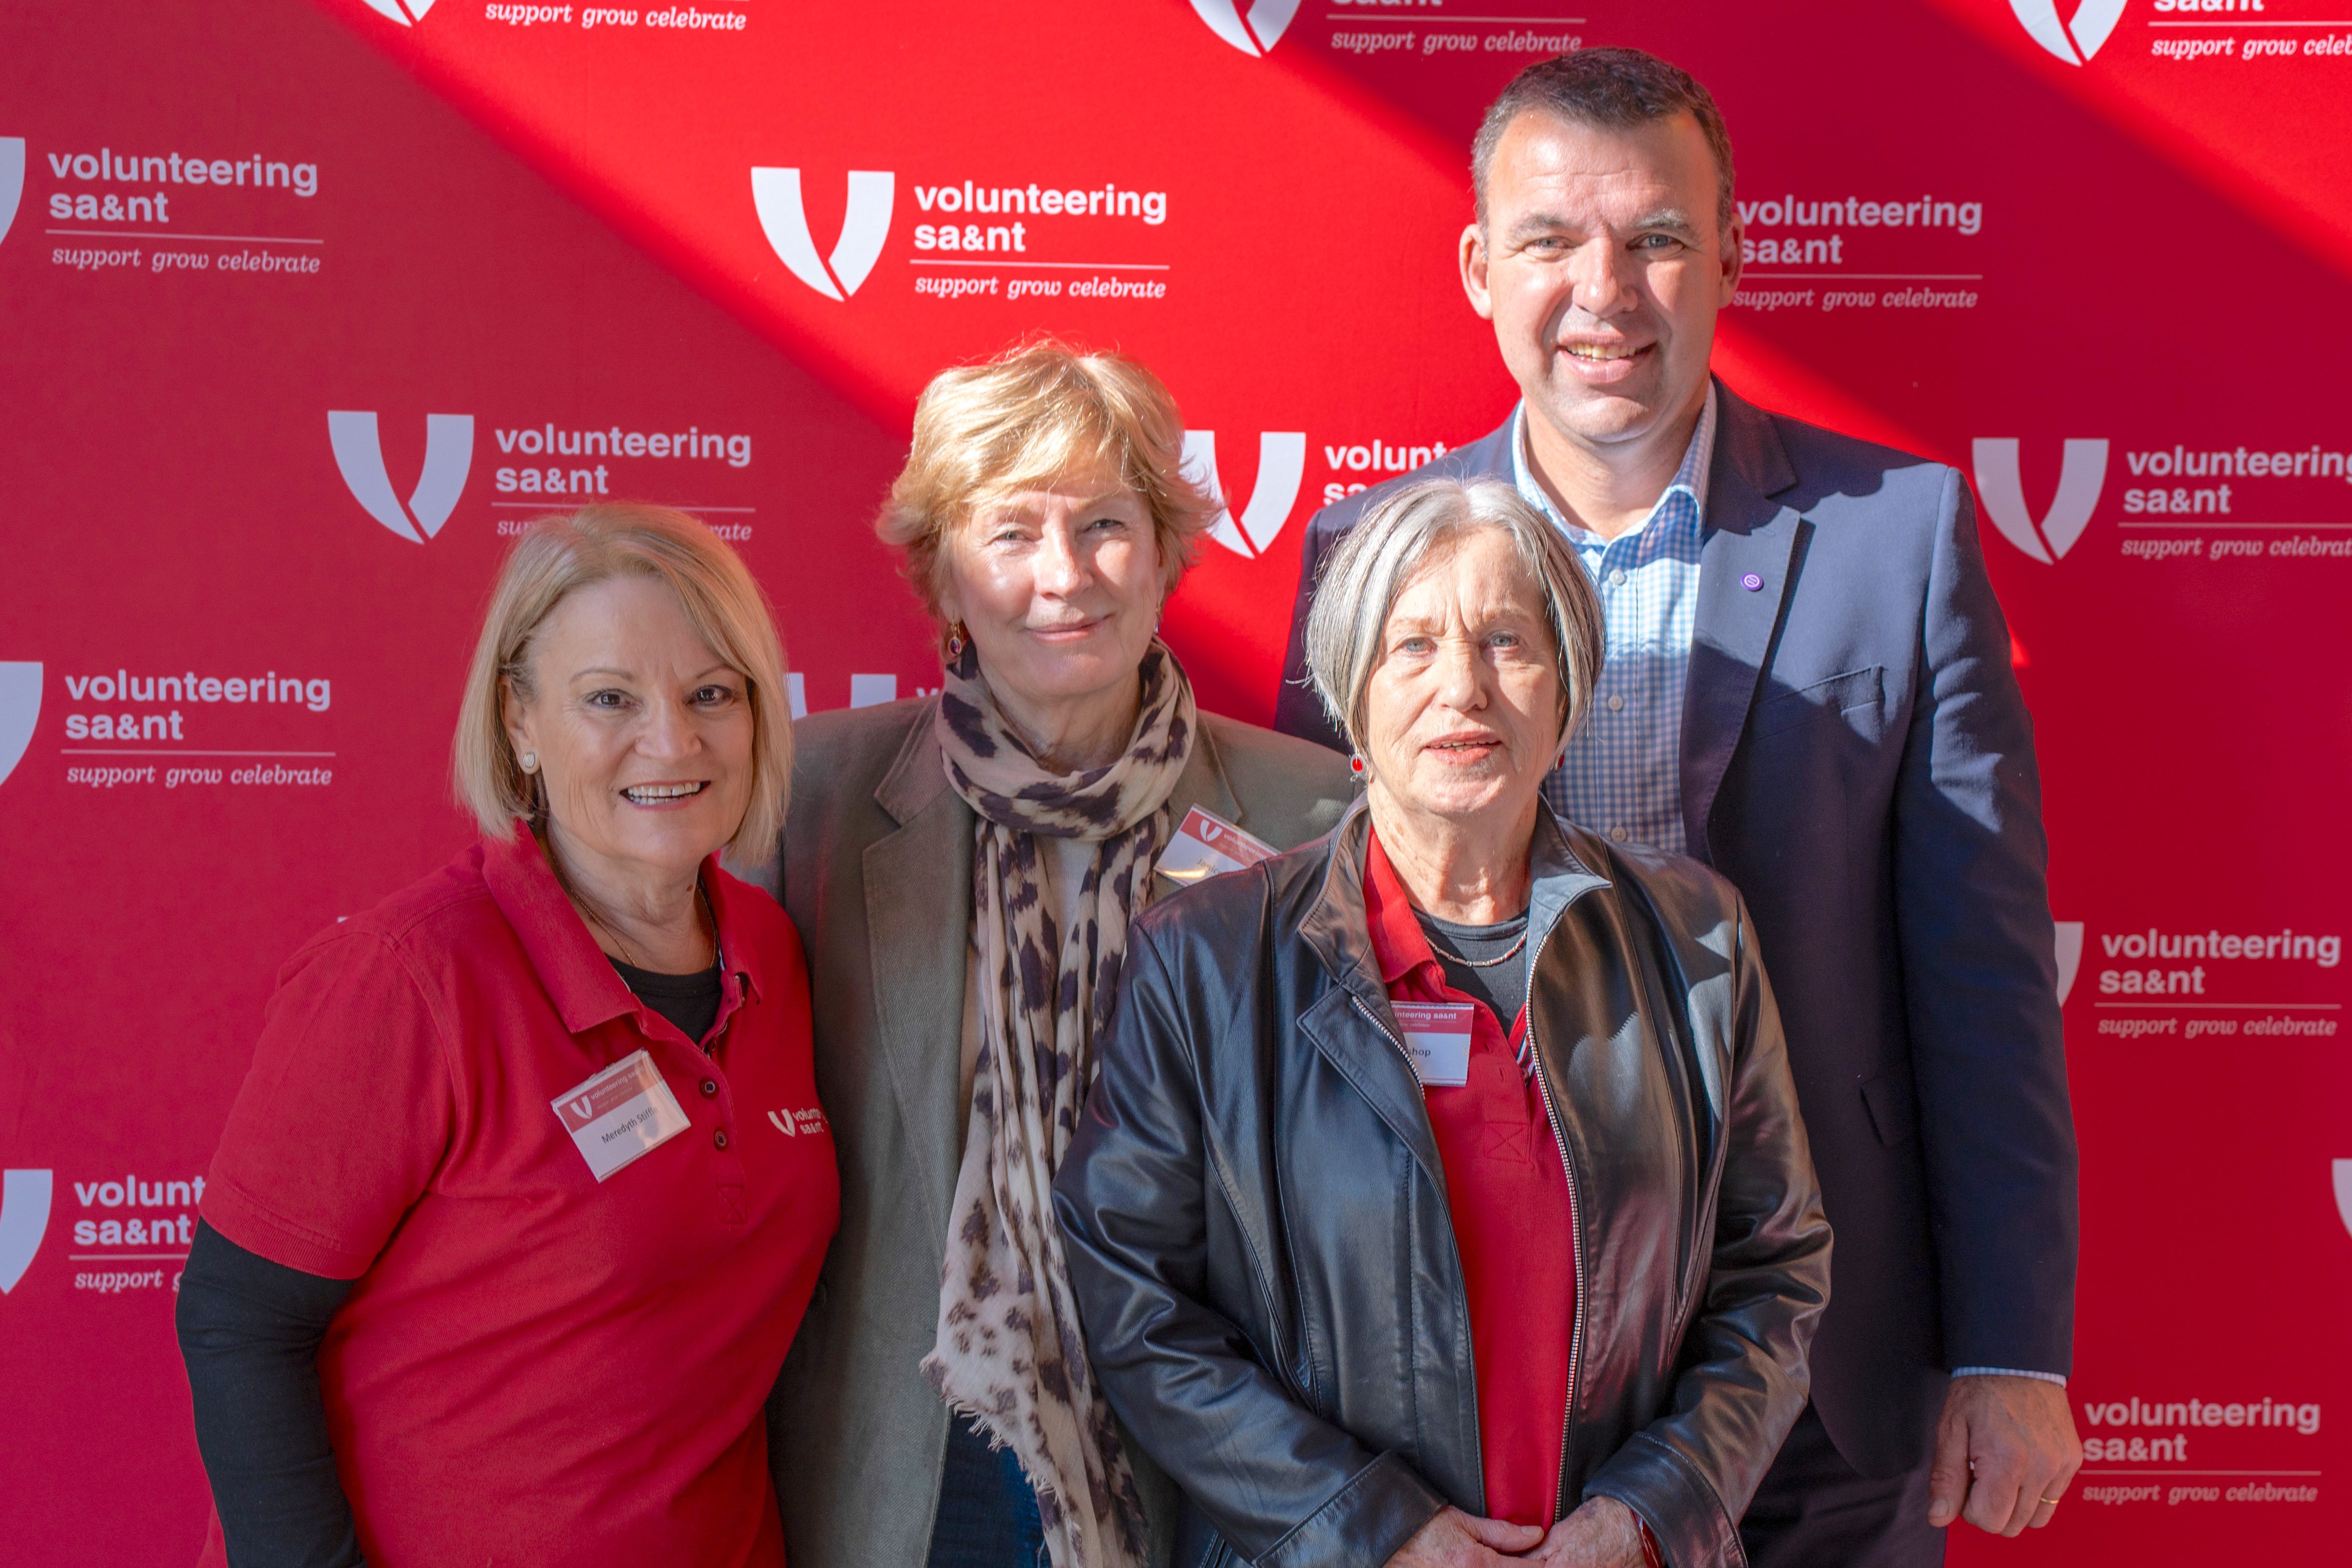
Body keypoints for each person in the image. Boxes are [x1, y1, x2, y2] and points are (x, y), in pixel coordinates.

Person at [1272, 48, 2081, 1567]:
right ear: (1477, 267)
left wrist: (2015, 1347)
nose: (1606, 291)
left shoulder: (1897, 541)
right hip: (1467, 1366)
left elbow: (1983, 975)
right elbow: (1313, 977)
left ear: (1731, 253)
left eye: (1654, 236)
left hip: (1823, 1368)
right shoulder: (1364, 555)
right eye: (1550, 241)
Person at [1055, 478, 1832, 1568]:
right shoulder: (1205, 958)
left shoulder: (1697, 938)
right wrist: (1378, 1532)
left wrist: (1646, 1514)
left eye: (1505, 640)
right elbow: (1133, 1299)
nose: (1461, 687)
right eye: (1411, 644)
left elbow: (1774, 1268)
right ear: (1350, 692)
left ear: (1564, 685)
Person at [755, 341, 1357, 1568]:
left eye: (1103, 523)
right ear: (943, 573)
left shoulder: (1309, 812)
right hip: (914, 1451)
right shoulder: (809, 798)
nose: (1065, 574)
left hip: (1203, 1455)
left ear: (1166, 545)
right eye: (1011, 532)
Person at [176, 504, 834, 1568]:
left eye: (712, 692)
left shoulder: (772, 949)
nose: (672, 739)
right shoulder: (409, 977)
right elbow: (240, 1321)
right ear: (519, 720)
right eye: (609, 698)